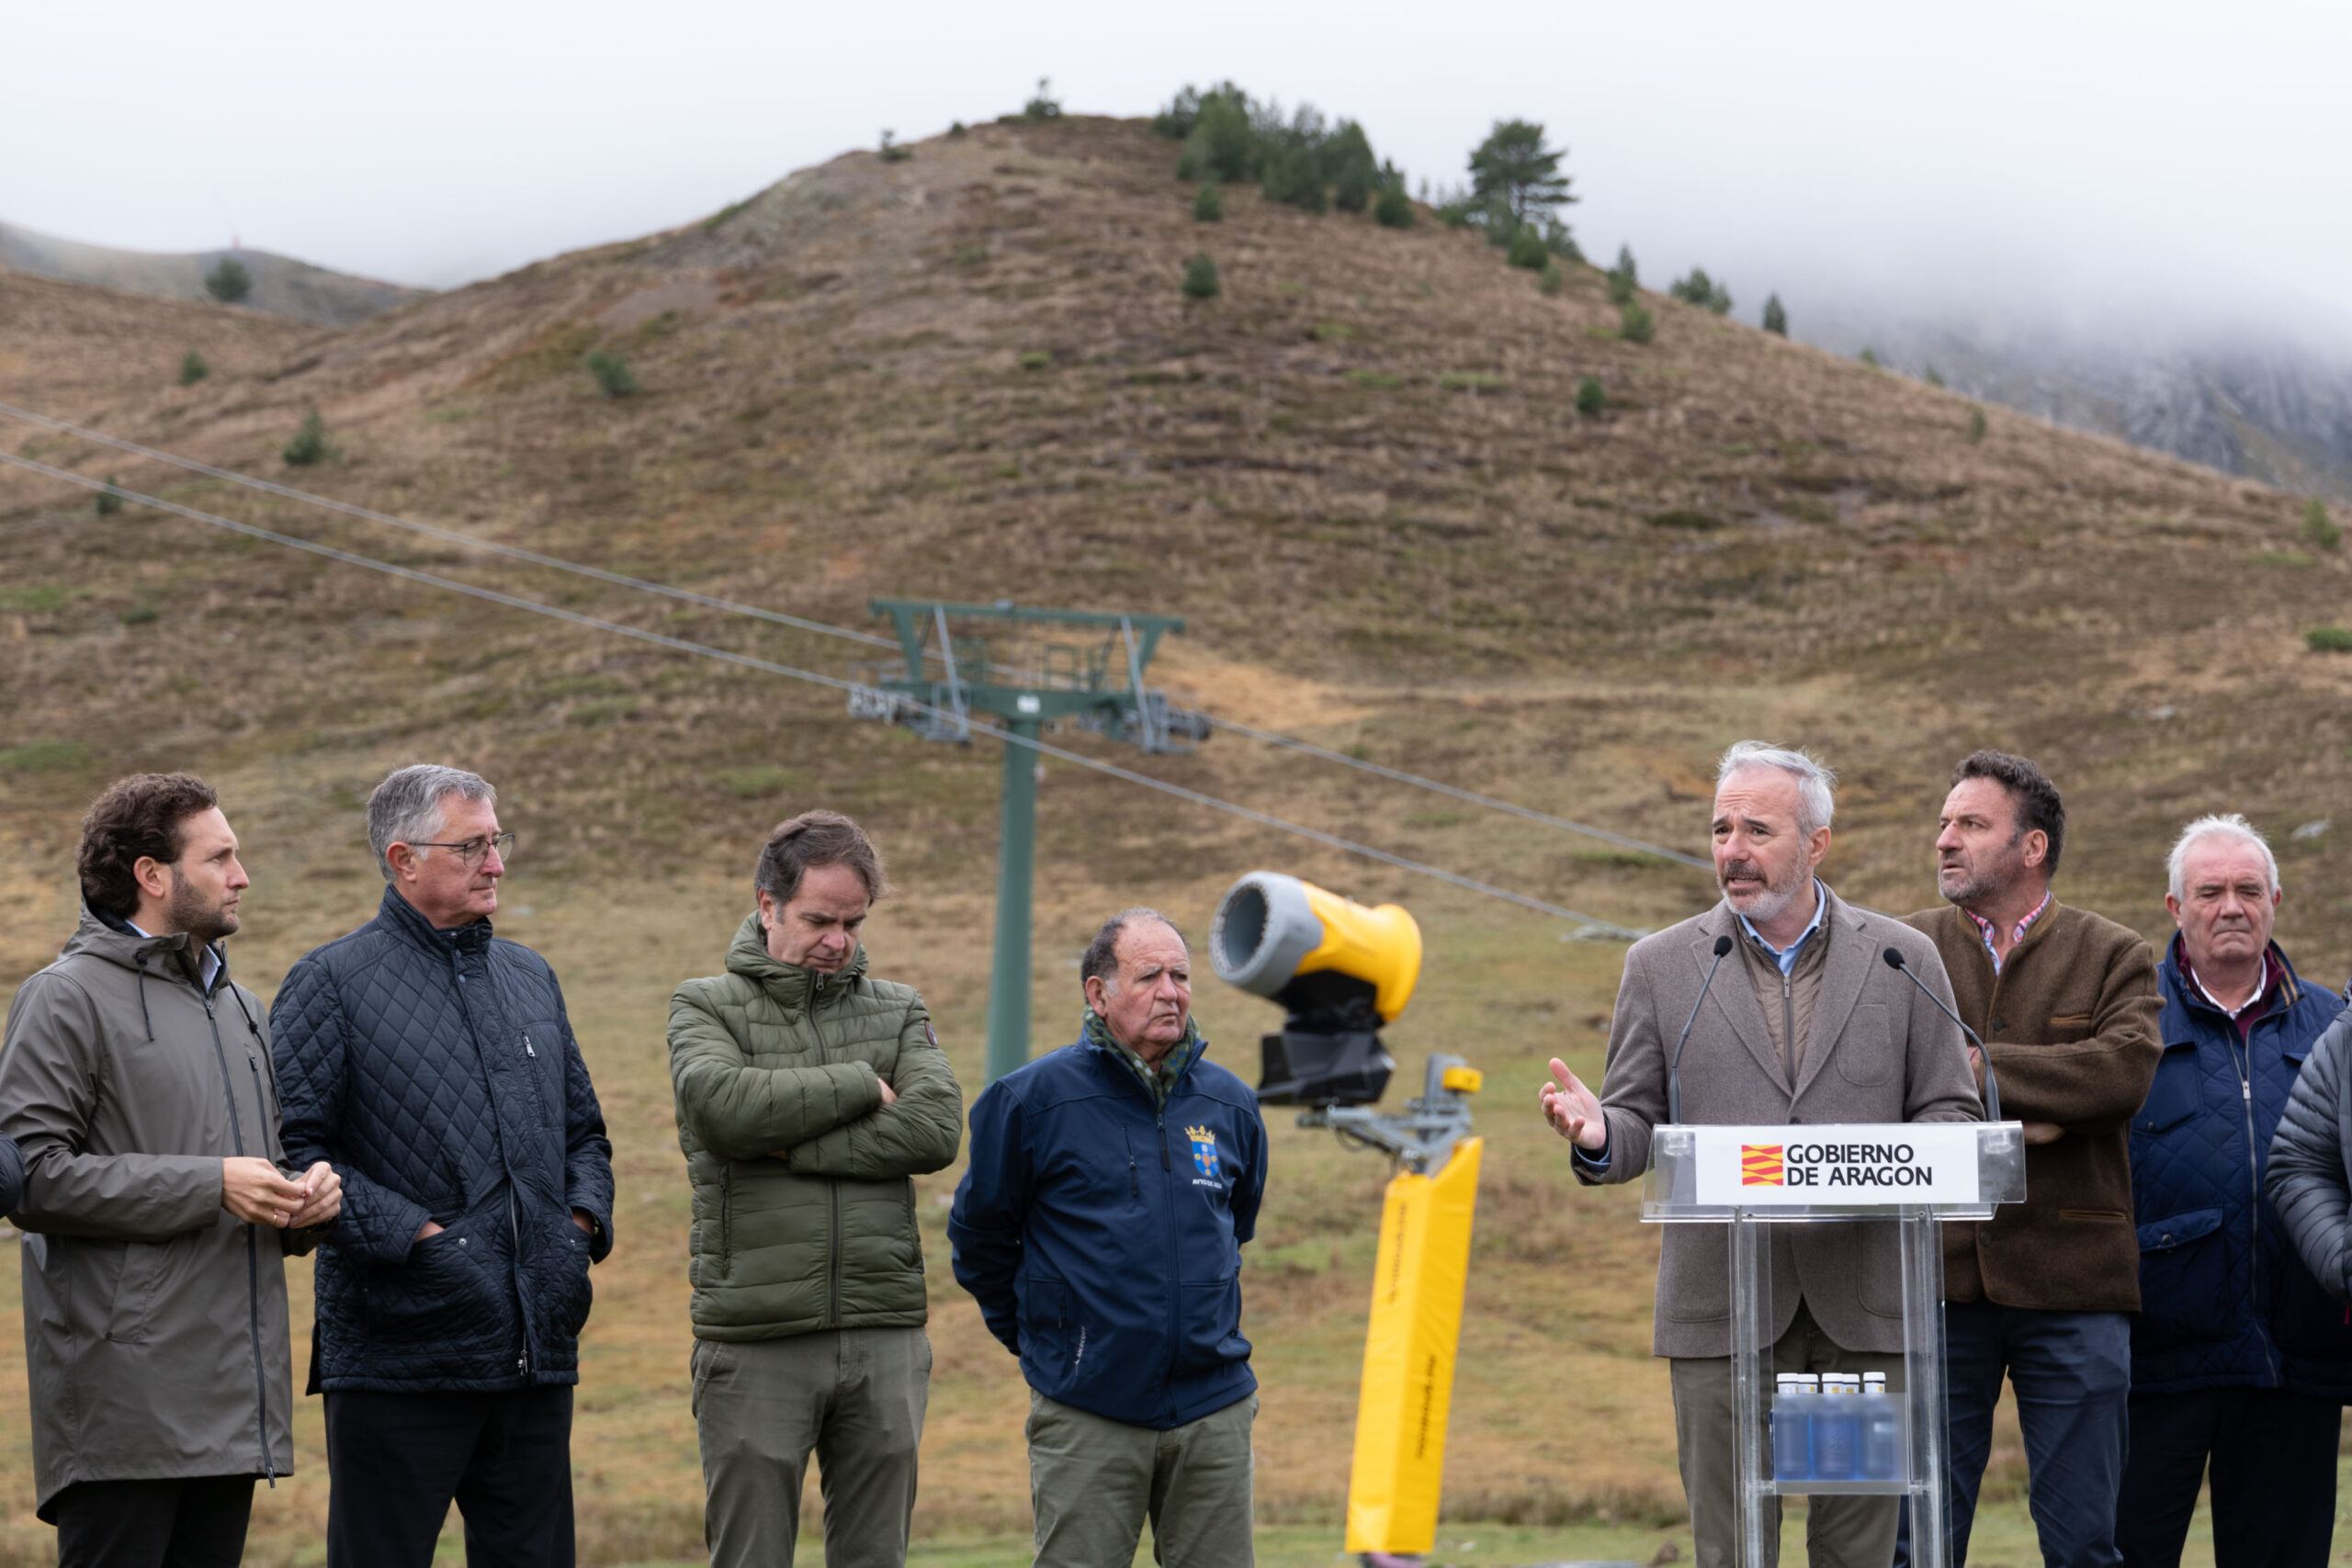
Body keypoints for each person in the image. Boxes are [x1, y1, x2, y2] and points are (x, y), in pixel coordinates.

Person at [1541, 740, 1980, 1568]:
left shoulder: (1900, 959)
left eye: (1757, 831)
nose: (1733, 851)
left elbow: (1950, 1111)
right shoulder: (1664, 965)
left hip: (1857, 1315)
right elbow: (1636, 1119)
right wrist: (1599, 1134)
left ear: (1816, 843)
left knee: (1851, 1553)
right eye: (1721, 830)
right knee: (1735, 1549)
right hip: (1725, 1314)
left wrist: (1870, 1165)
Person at [272, 763, 615, 1568]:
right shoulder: (329, 983)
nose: (496, 863)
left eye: (498, 841)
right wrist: (429, 1244)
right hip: (398, 1361)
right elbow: (295, 1151)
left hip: (535, 1356)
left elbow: (585, 1135)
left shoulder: (530, 977)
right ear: (403, 860)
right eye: (472, 847)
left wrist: (574, 1232)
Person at [0, 773, 341, 1568]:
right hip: (124, 1408)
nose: (241, 875)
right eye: (219, 857)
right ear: (152, 875)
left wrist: (304, 1202)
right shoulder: (63, 998)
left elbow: (259, 1172)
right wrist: (211, 1184)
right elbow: (32, 1179)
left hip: (235, 1404)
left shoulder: (243, 1008)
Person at [668, 811, 965, 1568]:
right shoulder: (704, 1004)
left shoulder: (899, 1007)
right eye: (819, 920)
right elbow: (722, 1110)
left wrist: (787, 1143)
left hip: (885, 1331)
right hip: (754, 1339)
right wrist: (862, 1083)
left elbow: (934, 1131)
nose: (838, 940)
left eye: (853, 922)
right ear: (767, 905)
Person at [1899, 750, 2163, 1568]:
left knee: (2083, 1542)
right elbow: (1880, 1087)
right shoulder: (1902, 949)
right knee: (1917, 1540)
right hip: (1938, 1285)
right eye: (1945, 822)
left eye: (1971, 824)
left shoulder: (2115, 952)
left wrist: (1976, 1071)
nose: (1946, 839)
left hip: (2076, 1287)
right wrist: (2044, 1116)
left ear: (2032, 846)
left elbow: (2120, 1076)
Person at [951, 908, 1268, 1568]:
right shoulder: (1029, 1101)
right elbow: (980, 1240)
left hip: (1213, 1408)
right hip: (1088, 1408)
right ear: (1098, 993)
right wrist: (1054, 1343)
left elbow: (1236, 1226)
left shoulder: (1232, 1104)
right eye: (1149, 976)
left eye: (1181, 975)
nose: (1170, 991)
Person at [2118, 815, 2352, 1568]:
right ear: (2174, 906)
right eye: (2209, 891)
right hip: (2154, 1365)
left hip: (2294, 1361)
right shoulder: (2129, 1026)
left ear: (2274, 900)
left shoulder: (2334, 1025)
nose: (2231, 907)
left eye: (2249, 890)